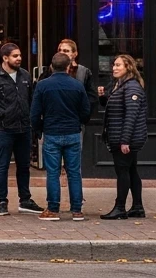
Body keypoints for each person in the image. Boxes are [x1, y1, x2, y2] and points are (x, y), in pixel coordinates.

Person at [0, 42, 43, 216]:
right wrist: (1, 114)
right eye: (15, 56)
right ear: (5, 58)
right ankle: (2, 201)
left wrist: (32, 119)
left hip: (24, 128)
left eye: (20, 55)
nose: (19, 58)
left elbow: (32, 99)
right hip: (3, 129)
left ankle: (25, 200)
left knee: (24, 166)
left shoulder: (25, 76)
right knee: (3, 165)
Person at [30, 52, 91, 221]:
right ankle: (77, 210)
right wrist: (78, 123)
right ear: (68, 67)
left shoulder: (42, 86)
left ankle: (53, 208)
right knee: (74, 173)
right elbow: (86, 111)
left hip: (52, 132)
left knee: (52, 173)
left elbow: (34, 113)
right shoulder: (77, 86)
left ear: (51, 66)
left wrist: (39, 130)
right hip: (72, 132)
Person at [100, 53, 148, 220]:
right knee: (132, 171)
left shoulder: (132, 88)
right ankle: (137, 207)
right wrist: (104, 98)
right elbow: (117, 109)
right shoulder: (121, 85)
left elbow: (131, 115)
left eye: (118, 65)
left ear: (128, 67)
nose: (114, 68)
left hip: (125, 138)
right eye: (114, 64)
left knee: (122, 172)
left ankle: (120, 207)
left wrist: (125, 140)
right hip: (122, 136)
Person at [57, 39, 99, 118]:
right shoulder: (49, 71)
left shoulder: (84, 72)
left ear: (74, 54)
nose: (62, 53)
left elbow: (92, 98)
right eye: (60, 50)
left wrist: (83, 115)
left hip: (76, 118)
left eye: (66, 51)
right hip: (55, 118)